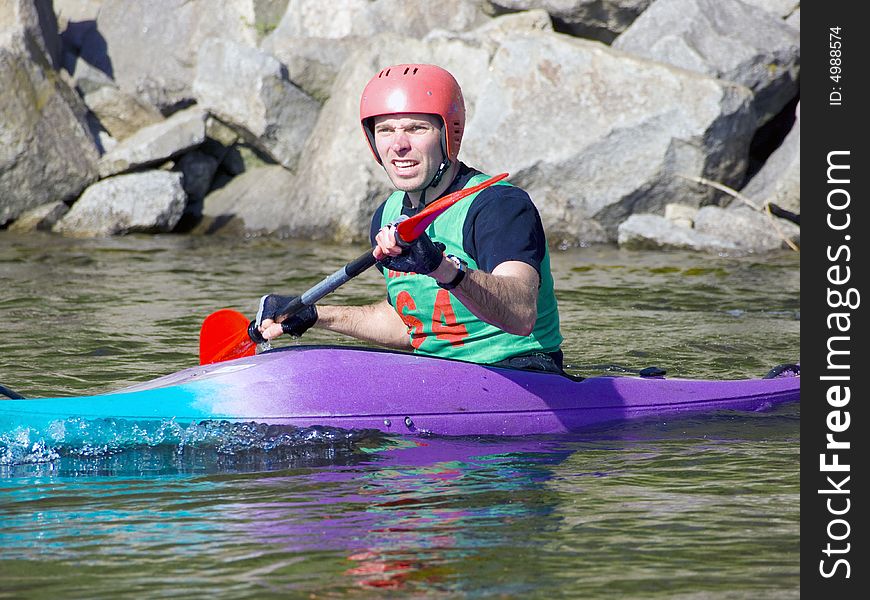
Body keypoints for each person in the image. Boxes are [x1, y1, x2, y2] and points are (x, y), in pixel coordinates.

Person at [257, 63, 564, 372]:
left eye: (417, 128)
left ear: (448, 135)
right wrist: (316, 315)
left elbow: (522, 314)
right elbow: (411, 324)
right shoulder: (386, 215)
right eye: (386, 130)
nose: (399, 145)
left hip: (523, 372)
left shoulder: (498, 206)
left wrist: (441, 268)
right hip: (439, 375)